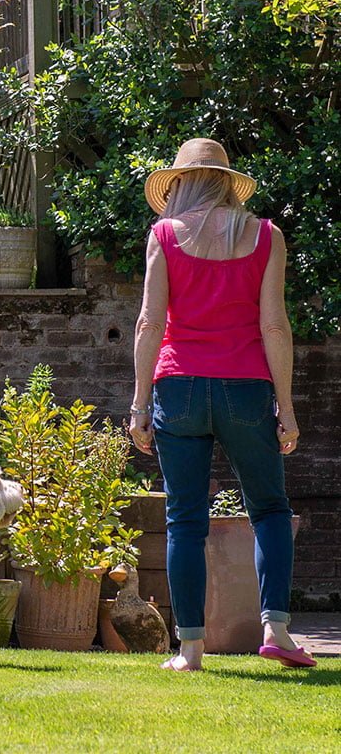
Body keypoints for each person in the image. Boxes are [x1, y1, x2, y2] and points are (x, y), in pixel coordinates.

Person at [129, 138, 316, 671]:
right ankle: (276, 629)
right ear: (227, 182)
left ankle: (190, 650)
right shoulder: (265, 236)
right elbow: (274, 325)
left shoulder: (163, 234)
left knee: (185, 519)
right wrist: (287, 406)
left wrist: (140, 404)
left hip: (179, 386)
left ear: (181, 182)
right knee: (271, 511)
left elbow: (149, 322)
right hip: (245, 389)